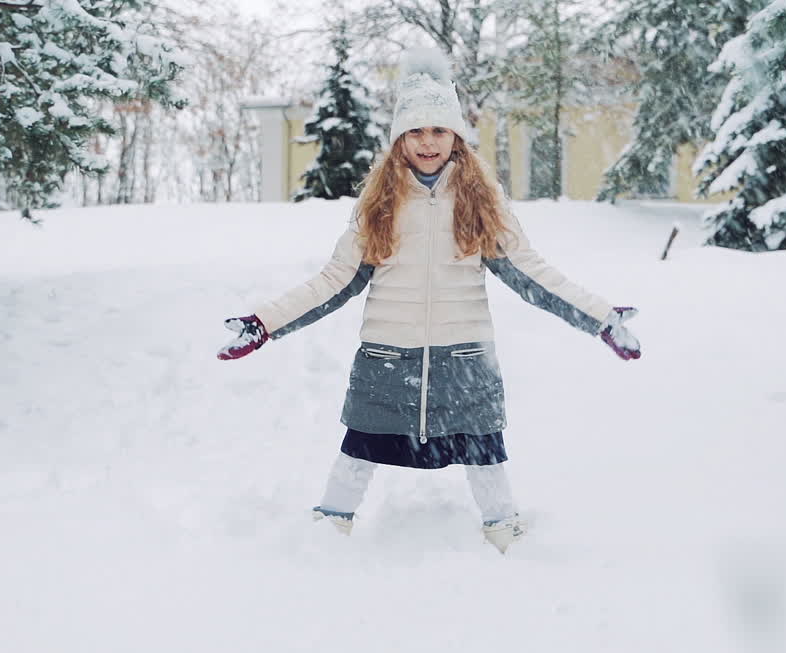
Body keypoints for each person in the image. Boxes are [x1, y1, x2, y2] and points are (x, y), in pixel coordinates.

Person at [217, 49, 641, 553]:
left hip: (464, 355)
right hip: (387, 356)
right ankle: (327, 533)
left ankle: (505, 534)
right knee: (359, 449)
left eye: (439, 131)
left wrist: (601, 318)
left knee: (486, 453)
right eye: (416, 131)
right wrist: (264, 322)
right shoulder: (378, 203)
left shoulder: (482, 199)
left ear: (456, 136)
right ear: (400, 138)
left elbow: (531, 272)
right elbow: (334, 280)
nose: (428, 142)